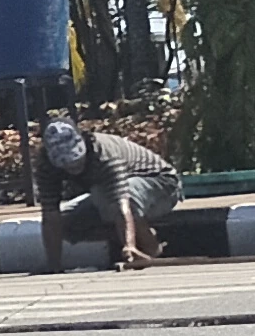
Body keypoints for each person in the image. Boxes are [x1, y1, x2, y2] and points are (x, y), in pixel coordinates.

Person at [34, 112, 178, 268]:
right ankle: (138, 237)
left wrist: (129, 244)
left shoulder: (104, 154)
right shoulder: (45, 165)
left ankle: (149, 247)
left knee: (105, 196)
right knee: (67, 224)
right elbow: (50, 216)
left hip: (161, 184)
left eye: (76, 159)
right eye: (65, 163)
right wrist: (53, 264)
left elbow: (121, 203)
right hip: (106, 195)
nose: (72, 166)